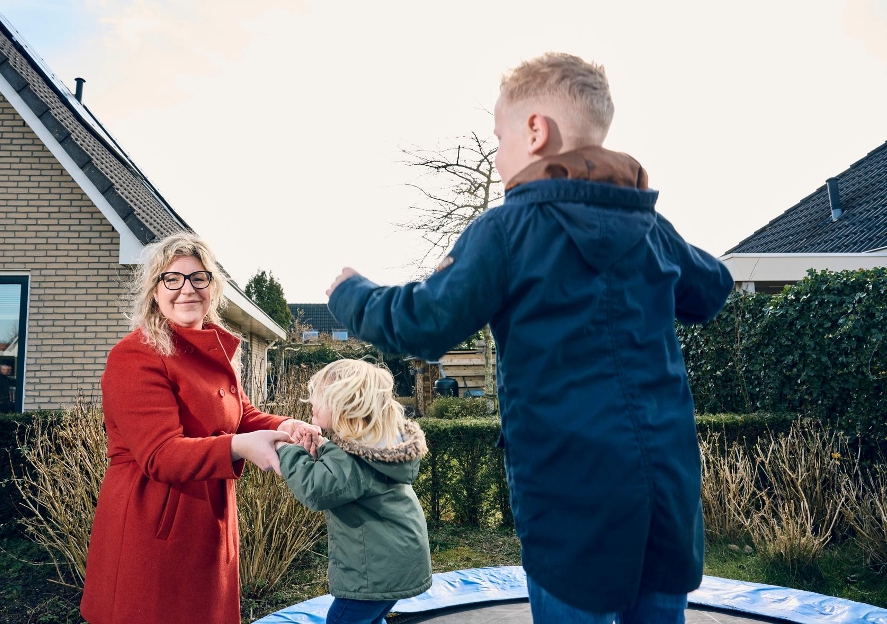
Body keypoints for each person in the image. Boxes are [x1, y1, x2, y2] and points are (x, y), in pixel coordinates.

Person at [326, 53, 734, 623]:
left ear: (536, 131)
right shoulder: (652, 231)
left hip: (572, 498)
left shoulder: (507, 231)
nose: (496, 157)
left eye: (499, 138)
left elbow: (422, 322)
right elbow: (712, 287)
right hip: (667, 492)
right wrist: (636, 214)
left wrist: (350, 293)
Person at [80, 232, 321, 624]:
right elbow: (161, 454)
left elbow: (240, 415)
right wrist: (241, 447)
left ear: (213, 287)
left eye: (198, 278)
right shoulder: (135, 355)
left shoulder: (210, 347)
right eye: (172, 279)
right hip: (153, 529)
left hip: (207, 521)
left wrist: (286, 425)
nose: (186, 289)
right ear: (154, 291)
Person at [275, 359, 432, 624]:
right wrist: (323, 445)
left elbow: (315, 489)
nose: (310, 400)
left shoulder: (356, 461)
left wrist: (286, 450)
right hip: (394, 562)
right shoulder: (374, 448)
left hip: (374, 573)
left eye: (318, 396)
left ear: (344, 405)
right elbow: (344, 464)